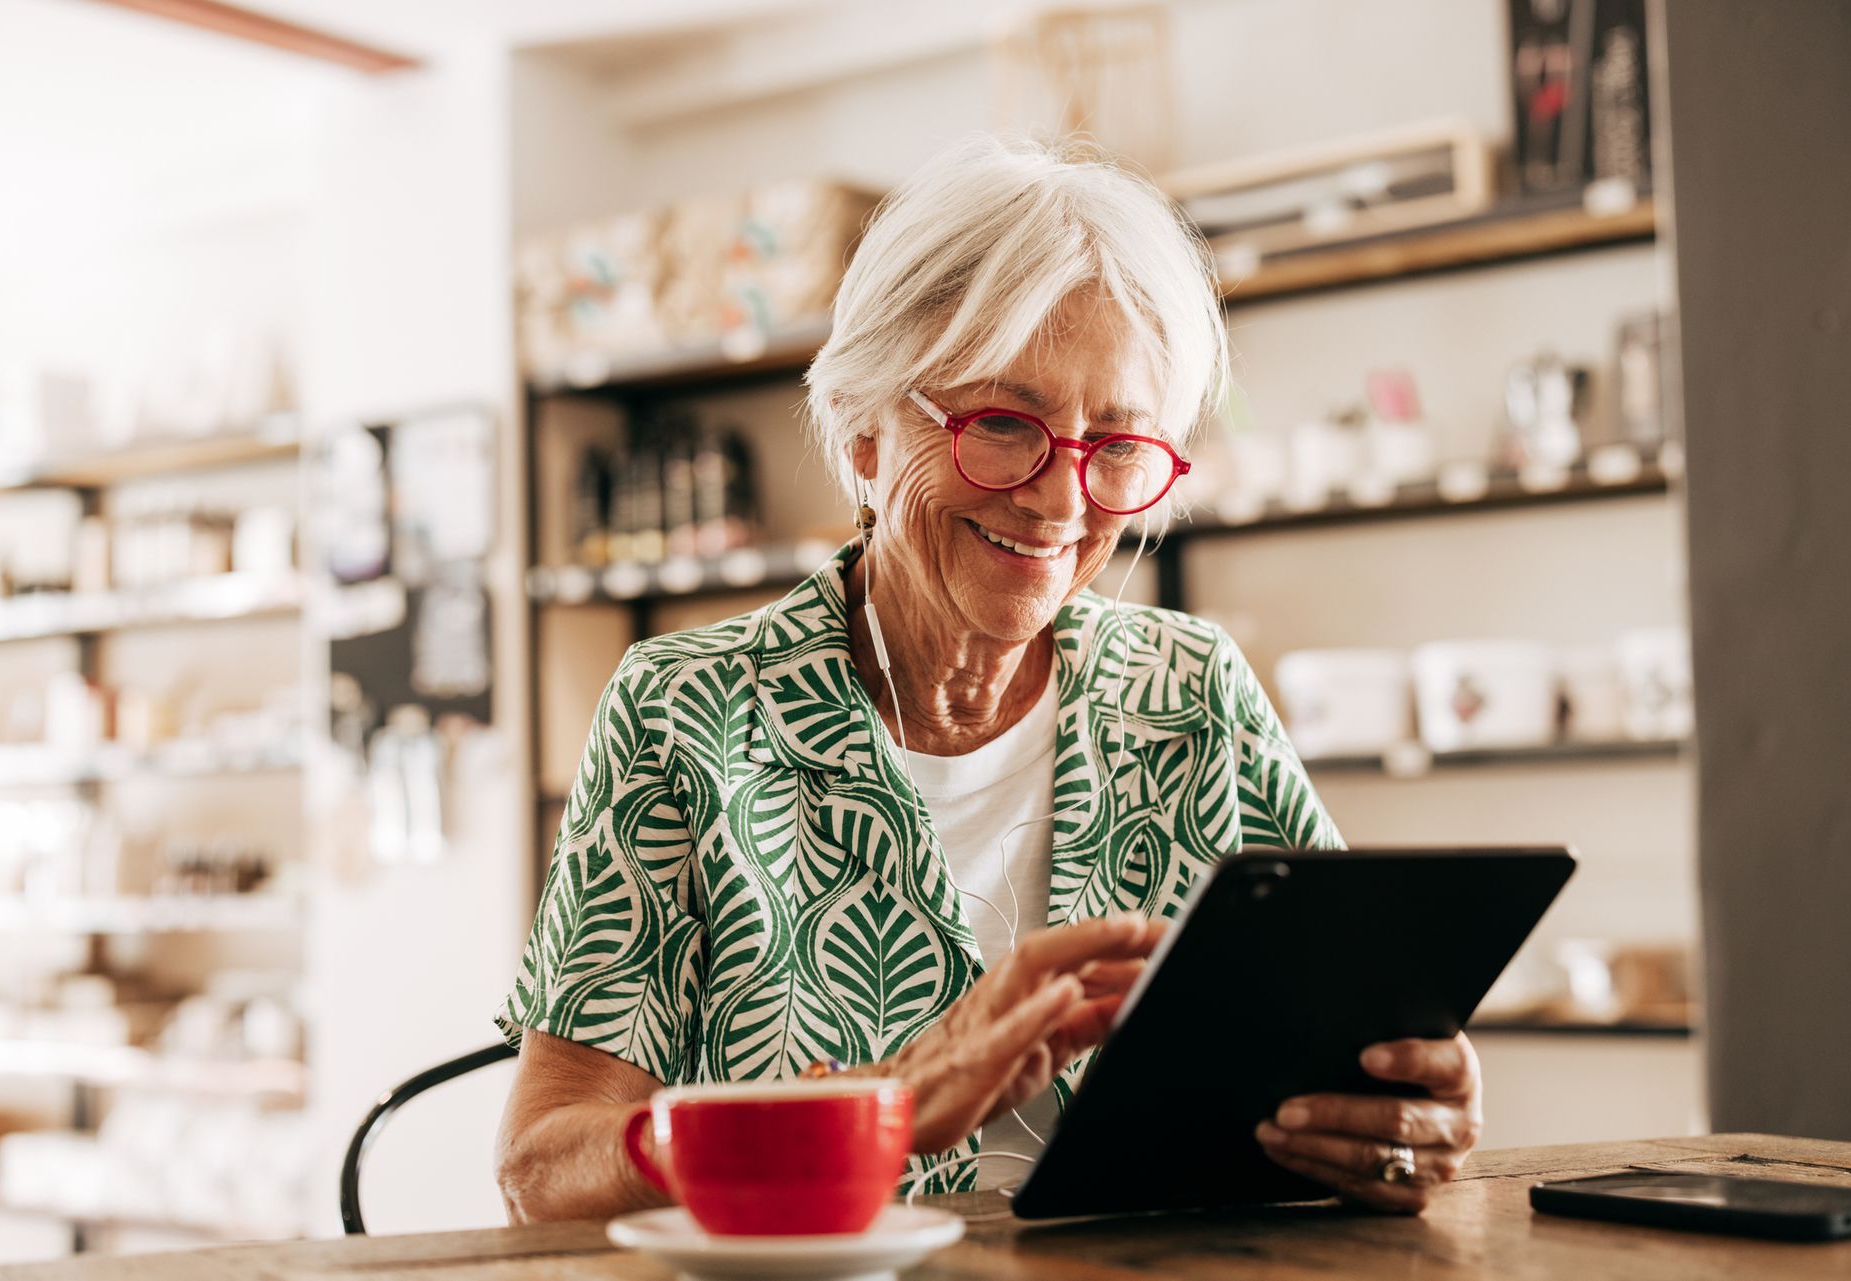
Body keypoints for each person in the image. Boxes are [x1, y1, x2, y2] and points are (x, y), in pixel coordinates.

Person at [495, 135, 1482, 1223]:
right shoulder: (689, 711)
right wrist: (875, 1106)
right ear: (865, 430)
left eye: (1116, 445)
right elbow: (544, 1168)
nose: (1062, 504)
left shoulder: (1192, 691)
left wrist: (1398, 1118)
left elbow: (1351, 1043)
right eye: (1004, 426)